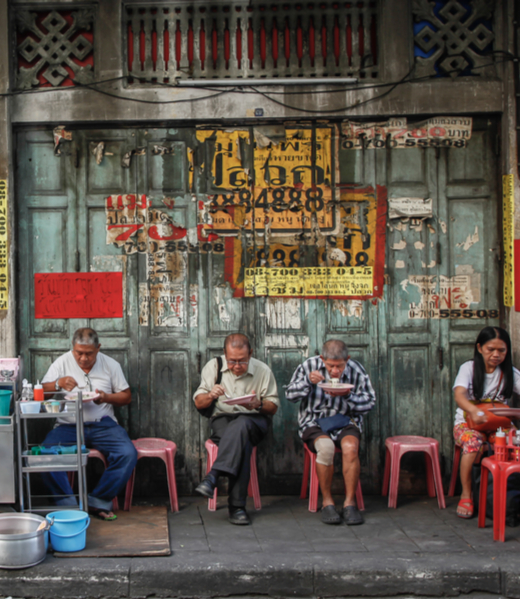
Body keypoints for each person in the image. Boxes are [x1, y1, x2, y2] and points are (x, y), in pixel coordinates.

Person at [40, 327, 137, 521]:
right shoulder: (62, 363)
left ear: (98, 348)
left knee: (127, 453)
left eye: (89, 354)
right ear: (72, 348)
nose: (83, 358)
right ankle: (68, 505)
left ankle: (98, 500)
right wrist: (58, 383)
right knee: (45, 454)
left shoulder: (110, 365)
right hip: (68, 425)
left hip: (103, 425)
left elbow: (126, 396)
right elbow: (41, 393)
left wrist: (106, 397)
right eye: (79, 353)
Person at [286, 339, 376, 525]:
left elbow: (369, 402)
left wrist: (348, 395)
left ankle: (350, 503)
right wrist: (307, 382)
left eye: (340, 366)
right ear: (322, 359)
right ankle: (327, 501)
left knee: (351, 448)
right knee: (325, 448)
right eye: (330, 366)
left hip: (344, 419)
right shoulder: (309, 366)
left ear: (347, 359)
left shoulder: (356, 369)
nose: (335, 371)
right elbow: (290, 395)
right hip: (314, 421)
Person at [193, 333, 279, 525]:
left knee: (242, 424)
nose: (237, 366)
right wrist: (210, 395)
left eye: (242, 361)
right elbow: (199, 403)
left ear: (251, 354)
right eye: (232, 361)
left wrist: (258, 404)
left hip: (254, 420)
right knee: (243, 442)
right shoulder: (214, 366)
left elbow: (273, 407)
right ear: (224, 353)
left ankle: (213, 476)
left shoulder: (262, 370)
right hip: (222, 419)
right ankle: (236, 507)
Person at [453, 326, 520, 519]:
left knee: (515, 442)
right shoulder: (468, 368)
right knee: (474, 443)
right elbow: (459, 395)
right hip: (468, 425)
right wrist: (473, 410)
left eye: (502, 350)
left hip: (499, 426)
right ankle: (467, 494)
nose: (496, 355)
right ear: (480, 348)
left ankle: (509, 498)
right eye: (491, 349)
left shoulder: (510, 373)